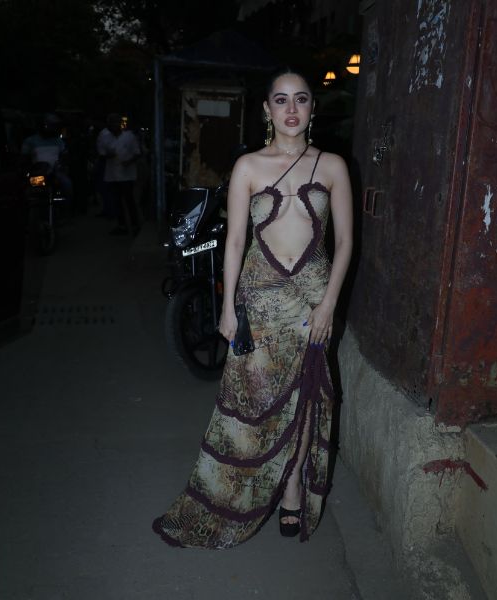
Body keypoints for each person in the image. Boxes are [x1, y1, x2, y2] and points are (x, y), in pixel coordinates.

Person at [153, 68, 354, 548]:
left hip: (312, 300)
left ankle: (291, 489)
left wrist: (329, 304)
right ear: (267, 110)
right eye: (281, 100)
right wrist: (227, 307)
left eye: (301, 99)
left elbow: (346, 242)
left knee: (306, 399)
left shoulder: (332, 166)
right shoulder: (248, 167)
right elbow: (236, 240)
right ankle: (238, 492)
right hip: (260, 300)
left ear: (312, 107)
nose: (291, 109)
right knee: (253, 401)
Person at [96, 113, 141, 236]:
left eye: (116, 122)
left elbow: (137, 153)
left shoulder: (129, 136)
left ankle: (135, 225)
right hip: (112, 175)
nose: (114, 125)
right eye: (111, 123)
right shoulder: (104, 136)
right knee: (117, 201)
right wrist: (108, 156)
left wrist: (128, 162)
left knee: (129, 200)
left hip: (127, 175)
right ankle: (122, 226)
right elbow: (101, 154)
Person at [19, 113, 73, 200]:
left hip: (56, 174)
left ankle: (65, 206)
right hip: (38, 175)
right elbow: (24, 159)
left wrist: (62, 164)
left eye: (54, 126)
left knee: (67, 185)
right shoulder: (30, 141)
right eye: (51, 125)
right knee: (29, 192)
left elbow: (64, 156)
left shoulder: (59, 141)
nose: (53, 128)